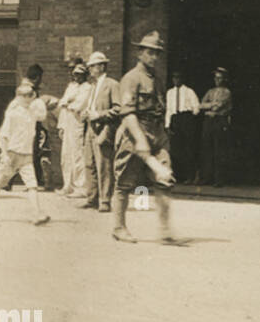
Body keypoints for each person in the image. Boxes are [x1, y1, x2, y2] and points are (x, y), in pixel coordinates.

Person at [112, 31, 180, 244]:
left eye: (157, 54)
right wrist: (140, 139)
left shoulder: (158, 79)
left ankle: (165, 228)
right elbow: (128, 112)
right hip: (136, 132)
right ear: (140, 53)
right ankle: (119, 227)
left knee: (165, 179)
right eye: (150, 52)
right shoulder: (131, 78)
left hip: (157, 133)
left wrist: (162, 136)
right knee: (124, 183)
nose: (154, 57)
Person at [0, 79, 50, 225]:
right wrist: (4, 154)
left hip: (27, 155)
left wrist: (38, 100)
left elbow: (43, 115)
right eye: (25, 95)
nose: (29, 98)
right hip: (12, 153)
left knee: (32, 185)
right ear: (18, 97)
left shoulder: (33, 113)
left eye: (30, 95)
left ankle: (37, 213)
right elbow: (3, 136)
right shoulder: (12, 114)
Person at [82, 51, 120, 212]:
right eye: (90, 66)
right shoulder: (93, 86)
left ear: (102, 66)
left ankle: (105, 200)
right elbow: (92, 106)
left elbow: (118, 109)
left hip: (104, 129)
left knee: (104, 164)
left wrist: (99, 115)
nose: (90, 69)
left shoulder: (112, 84)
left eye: (93, 66)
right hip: (90, 129)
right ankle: (92, 198)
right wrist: (87, 112)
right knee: (89, 163)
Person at [56, 62, 91, 197]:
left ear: (85, 75)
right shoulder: (71, 86)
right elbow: (62, 103)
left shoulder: (87, 88)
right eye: (75, 74)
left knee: (77, 155)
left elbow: (79, 105)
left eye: (80, 74)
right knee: (66, 155)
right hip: (67, 122)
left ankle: (80, 187)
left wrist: (68, 102)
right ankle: (67, 185)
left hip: (77, 123)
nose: (77, 77)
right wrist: (61, 126)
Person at [198, 66, 233, 186]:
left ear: (224, 79)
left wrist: (210, 106)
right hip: (209, 121)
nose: (217, 80)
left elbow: (219, 106)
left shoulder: (226, 92)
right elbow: (201, 105)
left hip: (220, 121)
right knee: (207, 148)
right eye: (216, 78)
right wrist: (211, 106)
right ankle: (207, 177)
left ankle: (219, 179)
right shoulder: (210, 91)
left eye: (220, 78)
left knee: (219, 150)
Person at [165, 73, 201, 184]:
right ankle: (178, 176)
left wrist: (190, 116)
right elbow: (169, 109)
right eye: (174, 78)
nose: (176, 80)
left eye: (178, 77)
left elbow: (196, 107)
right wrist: (167, 124)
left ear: (182, 79)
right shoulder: (170, 92)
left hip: (186, 118)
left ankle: (190, 176)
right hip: (175, 119)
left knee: (188, 148)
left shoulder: (189, 91)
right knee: (176, 149)